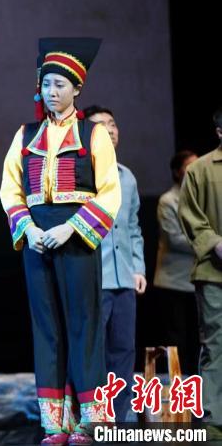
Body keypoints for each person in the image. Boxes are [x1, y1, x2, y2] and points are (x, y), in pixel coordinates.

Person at [0, 38, 120, 445]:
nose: (52, 92)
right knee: (46, 328)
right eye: (47, 84)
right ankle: (55, 423)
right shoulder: (25, 134)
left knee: (84, 326)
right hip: (37, 238)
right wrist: (29, 230)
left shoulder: (93, 133)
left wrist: (71, 228)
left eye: (60, 85)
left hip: (77, 237)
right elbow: (10, 189)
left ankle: (91, 420)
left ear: (77, 88)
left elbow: (109, 192)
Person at [84, 105, 145, 422]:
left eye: (113, 124)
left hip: (124, 278)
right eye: (101, 125)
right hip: (93, 279)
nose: (110, 130)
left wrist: (138, 268)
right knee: (91, 351)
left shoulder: (127, 177)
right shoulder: (80, 175)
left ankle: (121, 417)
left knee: (123, 349)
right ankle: (92, 418)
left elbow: (133, 228)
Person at [178, 107, 222, 440]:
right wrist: (214, 242)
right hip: (214, 273)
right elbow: (189, 214)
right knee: (216, 344)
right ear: (219, 131)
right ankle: (214, 417)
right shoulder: (200, 169)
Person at [154, 150, 199, 376]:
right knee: (176, 338)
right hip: (173, 281)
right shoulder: (168, 201)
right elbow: (174, 239)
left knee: (197, 338)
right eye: (189, 166)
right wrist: (209, 242)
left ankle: (197, 382)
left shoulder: (202, 197)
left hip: (198, 280)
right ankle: (177, 385)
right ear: (177, 172)